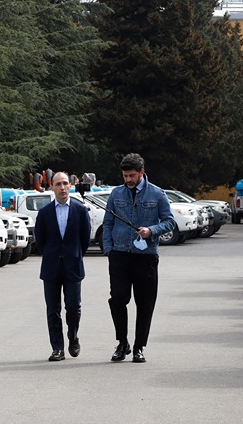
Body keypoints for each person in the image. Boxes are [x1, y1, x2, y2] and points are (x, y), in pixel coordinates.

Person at [102, 153, 175, 364]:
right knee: (117, 299)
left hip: (146, 257)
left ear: (142, 172)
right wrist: (109, 249)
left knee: (145, 303)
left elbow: (169, 222)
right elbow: (107, 222)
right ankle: (122, 343)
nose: (128, 180)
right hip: (119, 255)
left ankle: (139, 347)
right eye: (125, 176)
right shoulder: (116, 194)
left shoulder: (157, 194)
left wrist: (151, 231)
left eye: (132, 175)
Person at [33, 171, 91, 361]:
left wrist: (74, 255)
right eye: (58, 184)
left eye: (65, 183)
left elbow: (85, 239)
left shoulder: (80, 211)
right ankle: (57, 348)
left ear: (70, 185)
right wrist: (52, 255)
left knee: (73, 307)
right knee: (53, 310)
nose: (62, 187)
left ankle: (73, 336)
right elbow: (40, 240)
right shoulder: (44, 213)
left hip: (73, 266)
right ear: (52, 187)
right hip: (51, 268)